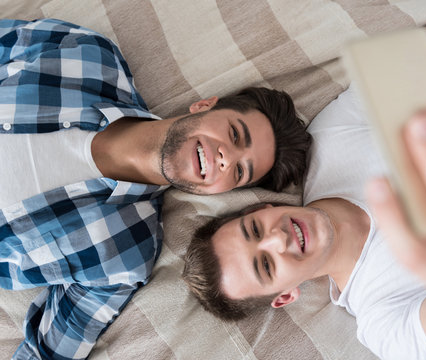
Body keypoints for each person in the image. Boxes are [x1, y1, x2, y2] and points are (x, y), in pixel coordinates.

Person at [183, 2, 426, 359]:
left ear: (263, 207)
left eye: (255, 229)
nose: (278, 238)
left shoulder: (331, 141)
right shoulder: (381, 316)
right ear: (285, 295)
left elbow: (410, 59)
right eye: (266, 265)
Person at [0, 18, 311, 359]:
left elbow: (48, 350)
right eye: (235, 135)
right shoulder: (90, 57)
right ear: (205, 104)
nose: (226, 158)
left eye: (239, 171)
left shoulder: (125, 253)